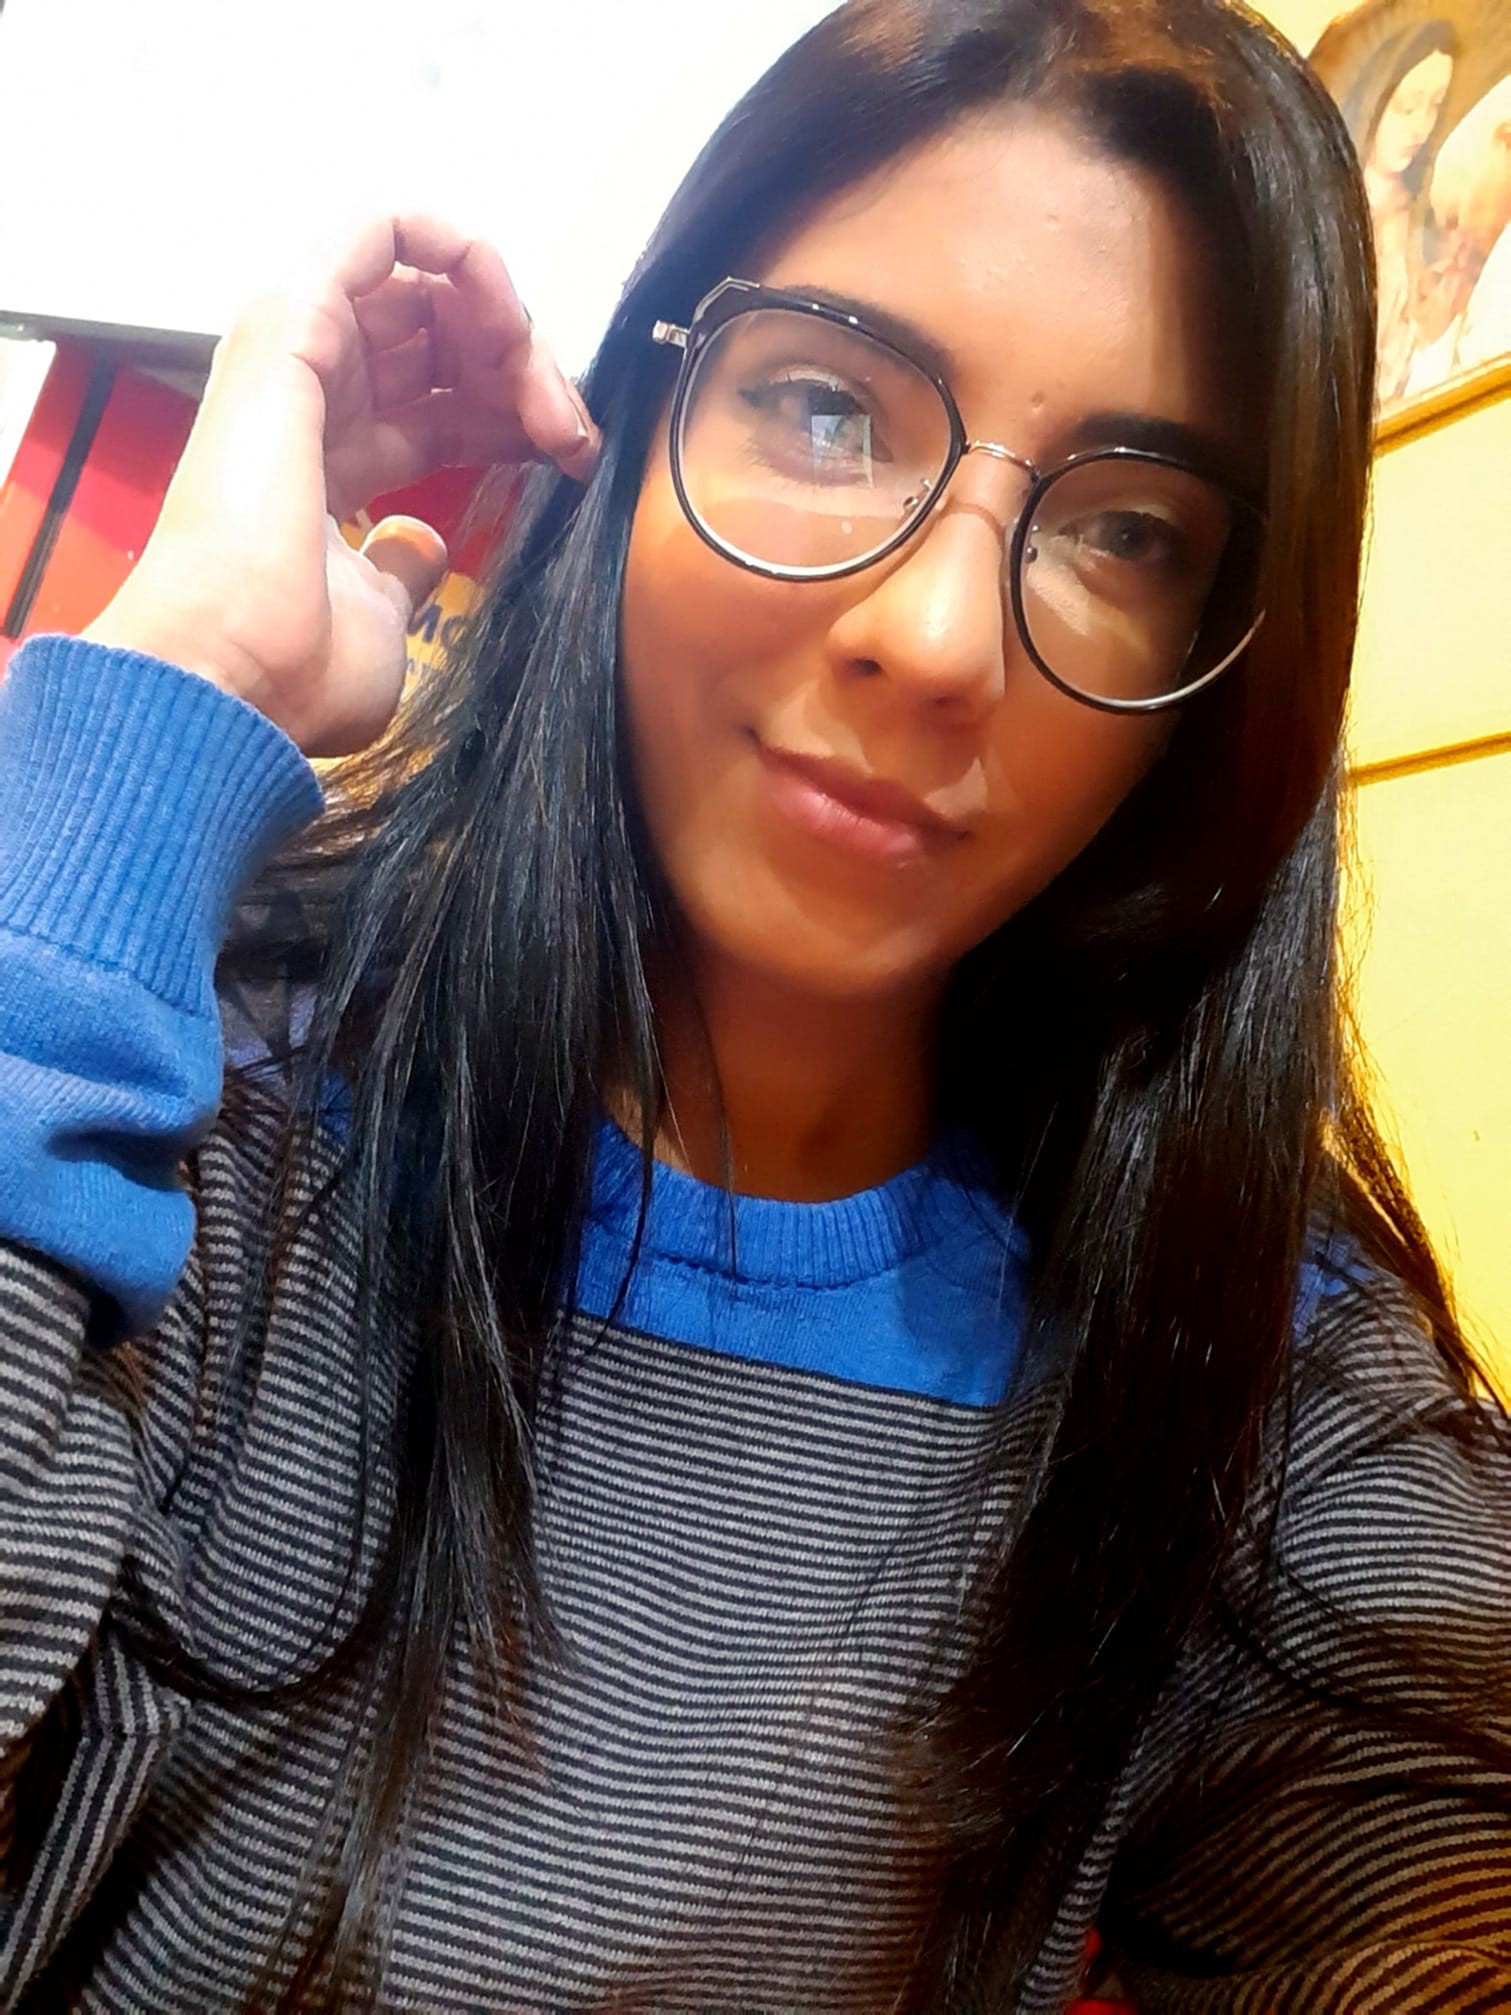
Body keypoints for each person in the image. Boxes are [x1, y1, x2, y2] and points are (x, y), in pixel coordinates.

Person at [0, 1, 1506, 2009]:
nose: (939, 637)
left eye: (1128, 531)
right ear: (633, 428)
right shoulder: (185, 1101)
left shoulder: (1232, 1358)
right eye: (827, 408)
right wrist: (184, 676)